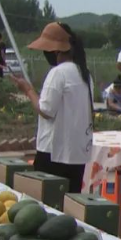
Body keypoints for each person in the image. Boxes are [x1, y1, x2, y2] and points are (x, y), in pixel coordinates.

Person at [13, 22, 93, 194]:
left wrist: (28, 90)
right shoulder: (85, 74)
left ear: (56, 51)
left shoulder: (58, 73)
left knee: (47, 202)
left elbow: (46, 110)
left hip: (53, 151)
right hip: (76, 153)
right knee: (70, 201)